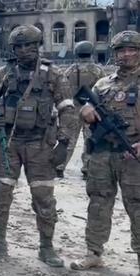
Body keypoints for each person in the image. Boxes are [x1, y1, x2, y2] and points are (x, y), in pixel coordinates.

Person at [0, 25, 74, 267]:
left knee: (43, 197)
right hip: (8, 143)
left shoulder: (53, 74)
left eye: (28, 45)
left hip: (40, 144)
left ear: (38, 45)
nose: (23, 50)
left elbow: (68, 110)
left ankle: (46, 247)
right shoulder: (3, 75)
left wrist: (64, 142)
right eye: (18, 46)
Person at [70, 30, 140, 276]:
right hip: (101, 154)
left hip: (132, 154)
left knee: (137, 206)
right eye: (121, 50)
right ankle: (93, 253)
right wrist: (86, 109)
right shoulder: (103, 83)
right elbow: (84, 106)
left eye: (132, 50)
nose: (126, 54)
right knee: (98, 203)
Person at [56, 41, 106, 178]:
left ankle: (59, 166)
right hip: (91, 109)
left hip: (73, 108)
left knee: (69, 140)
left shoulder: (70, 70)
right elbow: (103, 90)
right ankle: (87, 169)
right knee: (90, 138)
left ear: (77, 52)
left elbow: (62, 88)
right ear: (91, 52)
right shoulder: (97, 70)